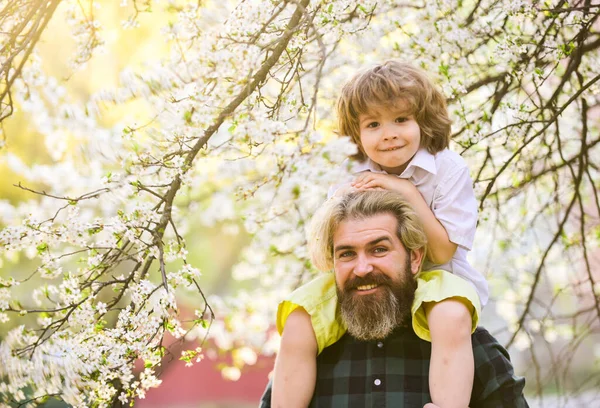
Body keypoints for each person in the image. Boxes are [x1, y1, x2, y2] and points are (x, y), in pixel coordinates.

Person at [272, 61, 489, 408]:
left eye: (401, 120)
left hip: (437, 276)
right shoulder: (348, 171)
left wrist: (407, 192)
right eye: (373, 124)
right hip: (370, 273)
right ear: (356, 135)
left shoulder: (448, 168)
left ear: (423, 121)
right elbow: (334, 245)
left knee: (450, 316)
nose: (388, 133)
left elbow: (443, 251)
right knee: (299, 317)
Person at [263, 190, 527, 407]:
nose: (362, 268)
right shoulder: (306, 352)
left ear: (414, 258)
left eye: (379, 249)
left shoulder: (468, 346)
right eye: (346, 254)